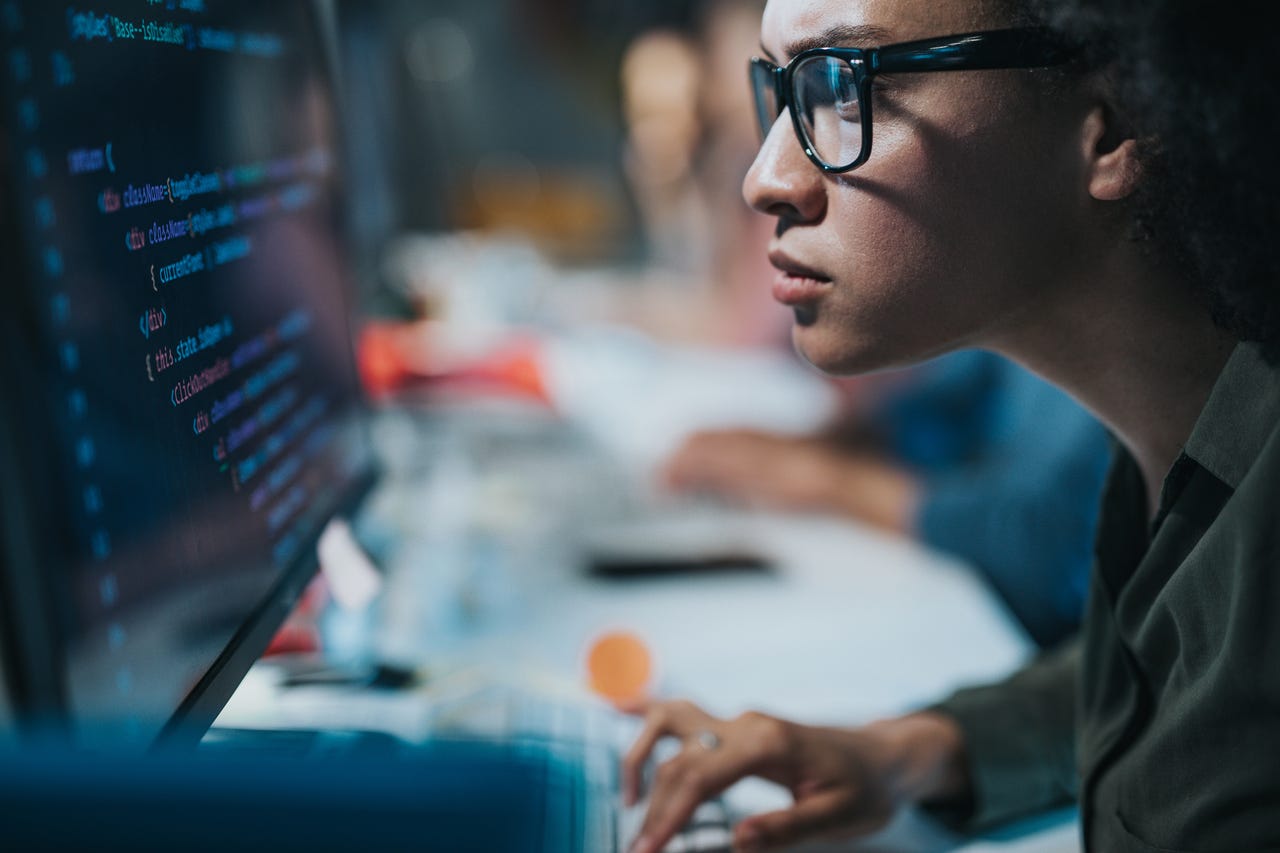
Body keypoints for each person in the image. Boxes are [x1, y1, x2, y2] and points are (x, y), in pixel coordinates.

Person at [621, 0, 1280, 850]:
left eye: (847, 89)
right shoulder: (1173, 443)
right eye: (779, 92)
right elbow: (1169, 671)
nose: (766, 178)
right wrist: (908, 751)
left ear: (1120, 123)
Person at [662, 348, 1112, 650]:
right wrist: (817, 445)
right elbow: (941, 407)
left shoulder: (1108, 334)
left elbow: (1043, 541)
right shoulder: (1027, 294)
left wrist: (829, 480)